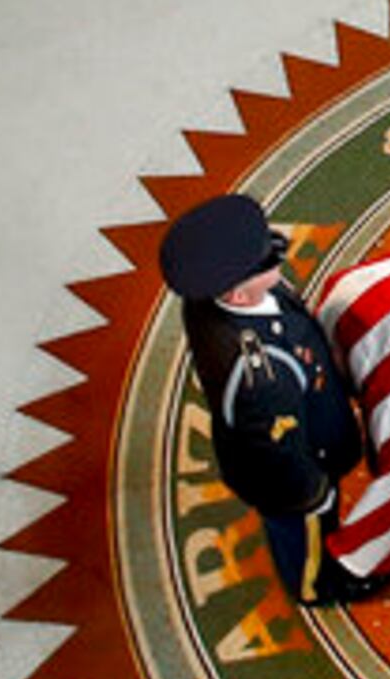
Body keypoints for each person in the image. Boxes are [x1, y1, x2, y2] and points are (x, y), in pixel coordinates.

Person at [159, 195, 372, 606]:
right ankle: (317, 586)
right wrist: (315, 494)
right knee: (305, 535)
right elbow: (281, 456)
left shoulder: (216, 294)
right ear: (239, 296)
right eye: (266, 261)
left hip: (304, 425)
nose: (278, 250)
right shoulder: (261, 377)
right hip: (292, 478)